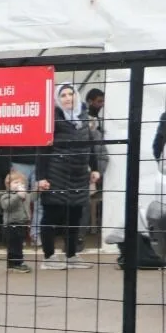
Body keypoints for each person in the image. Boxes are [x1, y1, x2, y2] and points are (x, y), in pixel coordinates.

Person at [37, 84, 101, 271]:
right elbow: (43, 150)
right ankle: (49, 257)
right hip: (56, 173)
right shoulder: (52, 120)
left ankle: (71, 255)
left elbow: (91, 145)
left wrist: (94, 168)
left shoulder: (83, 117)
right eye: (63, 95)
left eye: (70, 94)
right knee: (52, 215)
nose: (67, 98)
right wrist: (41, 177)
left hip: (79, 174)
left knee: (75, 215)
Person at [0, 170, 35, 273]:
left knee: (19, 244)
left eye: (21, 183)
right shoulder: (6, 195)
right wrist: (18, 196)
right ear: (8, 185)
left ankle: (15, 263)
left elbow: (32, 197)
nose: (19, 185)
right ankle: (16, 263)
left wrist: (39, 190)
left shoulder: (24, 195)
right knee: (14, 246)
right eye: (16, 183)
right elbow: (6, 206)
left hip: (22, 223)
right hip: (11, 225)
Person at [84, 88, 110, 243]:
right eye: (99, 101)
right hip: (90, 163)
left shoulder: (96, 117)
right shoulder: (88, 118)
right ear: (90, 101)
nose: (101, 104)